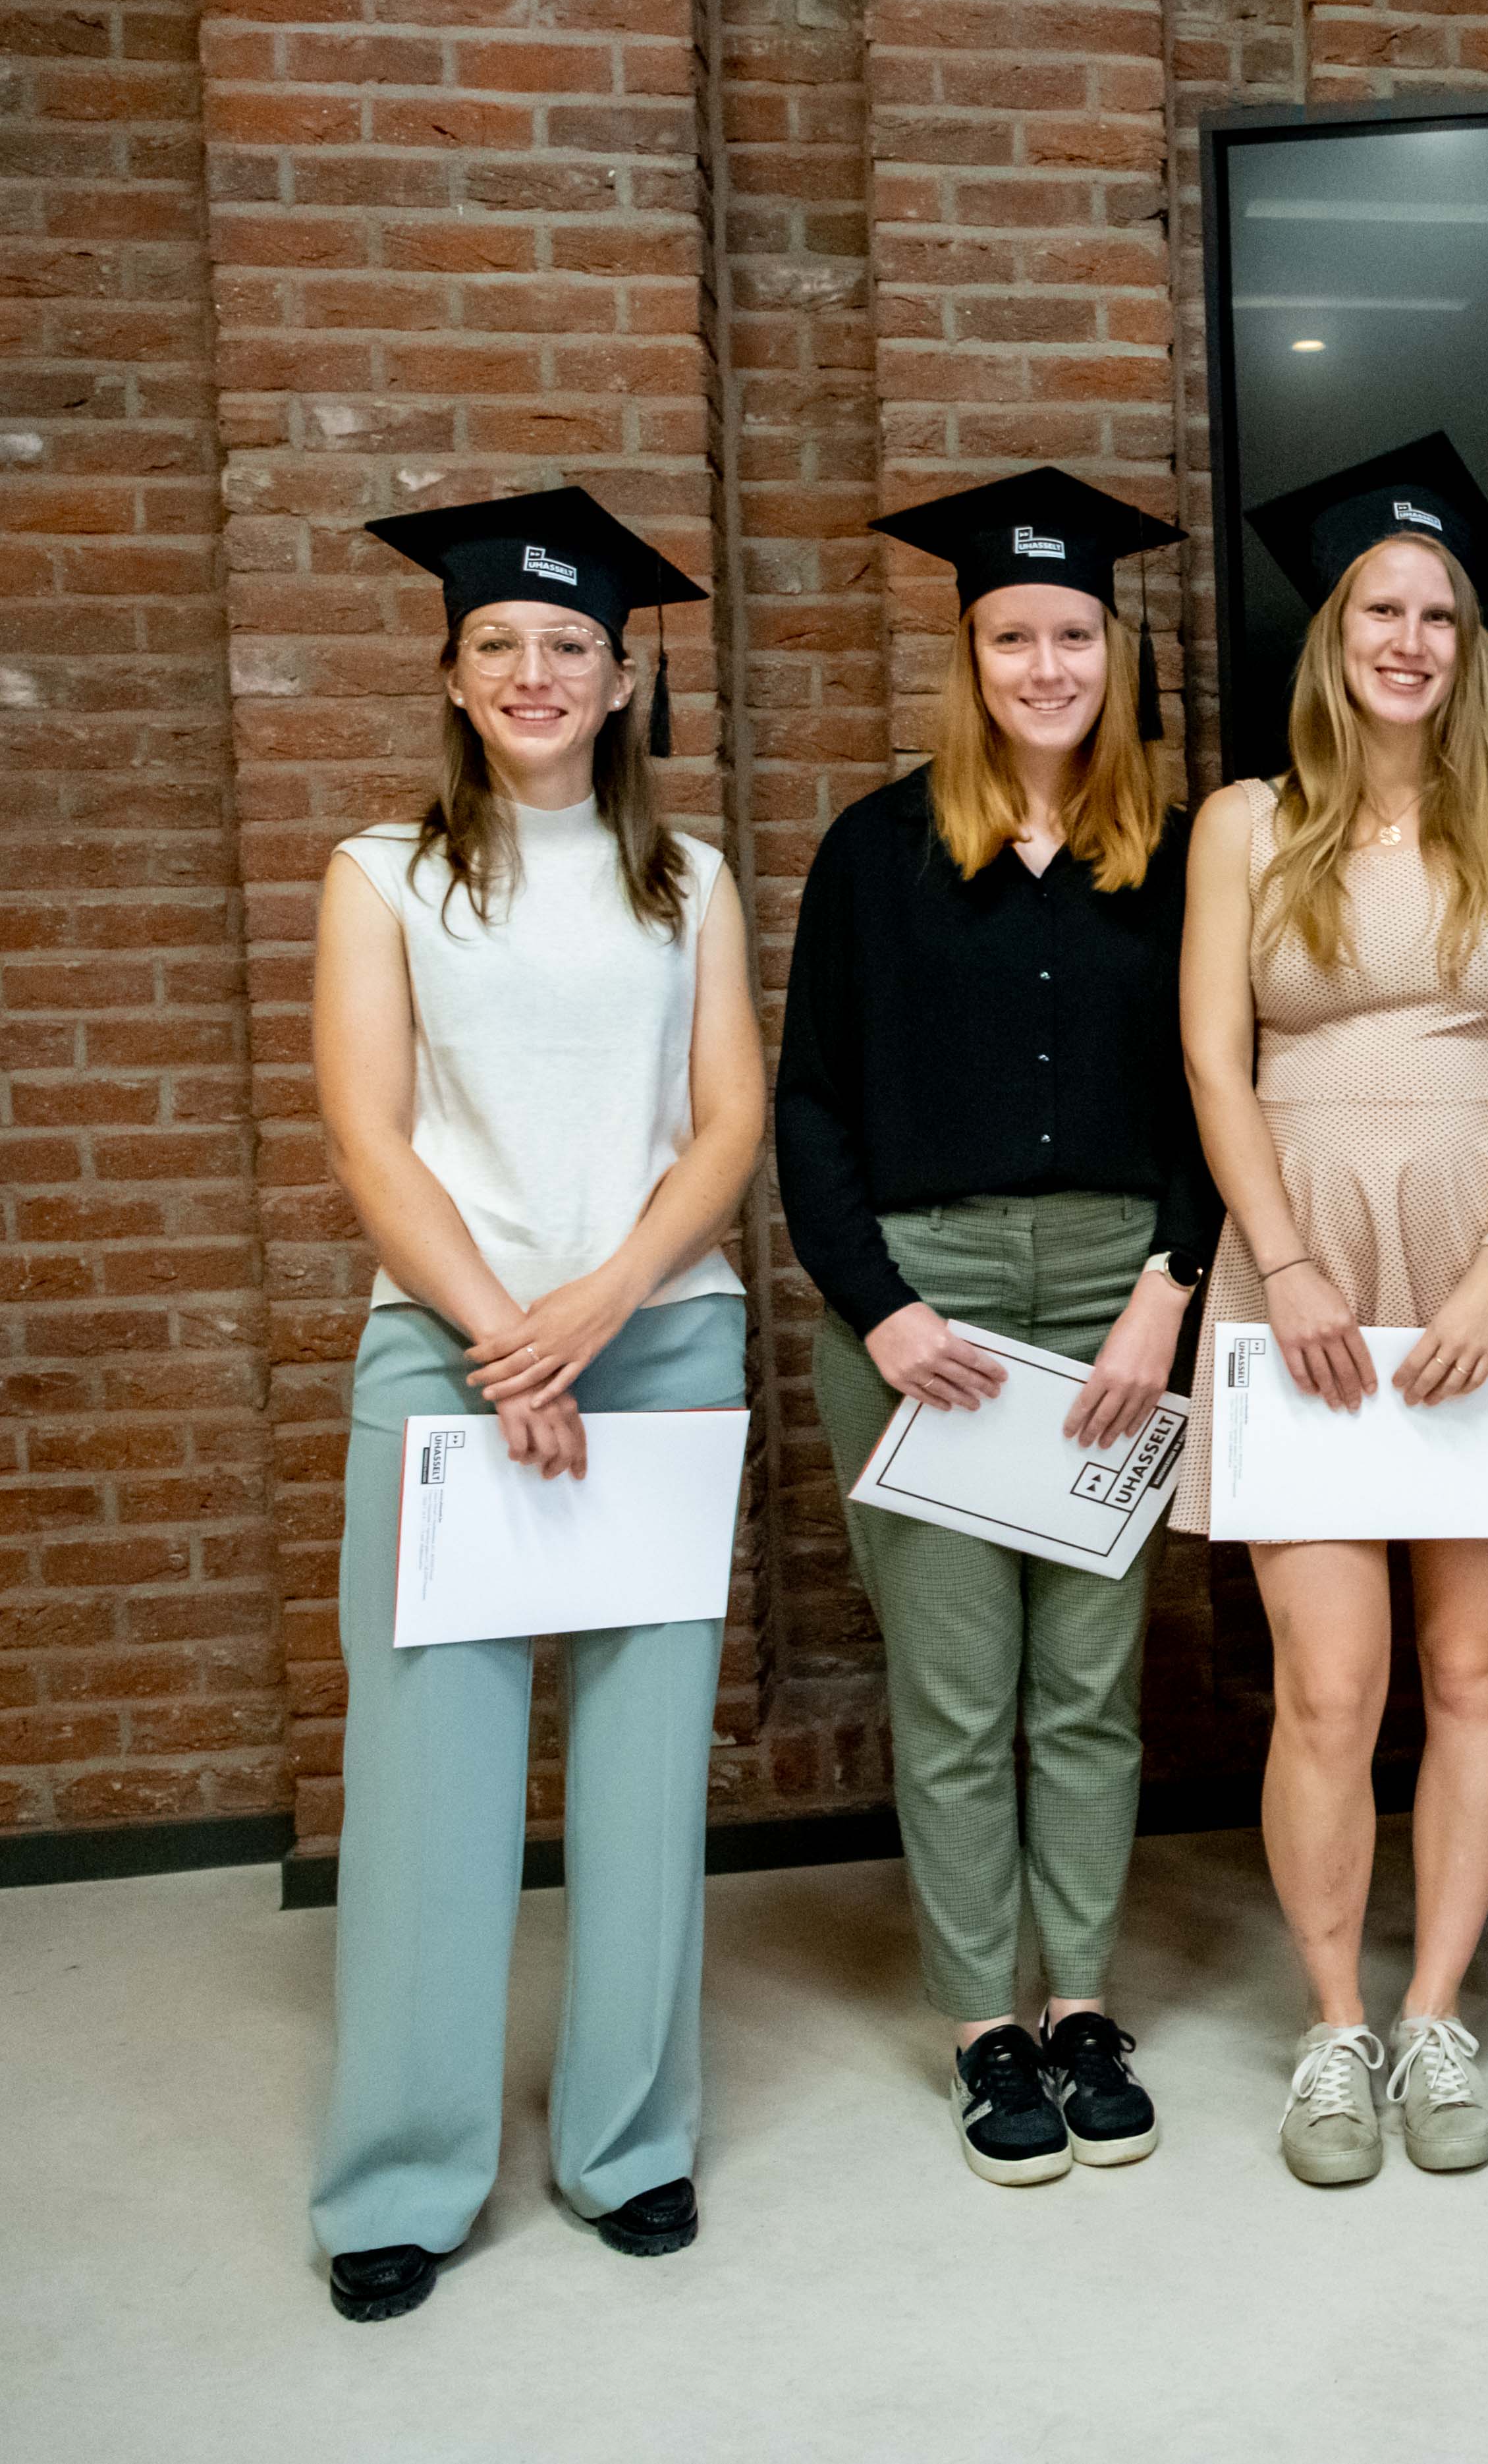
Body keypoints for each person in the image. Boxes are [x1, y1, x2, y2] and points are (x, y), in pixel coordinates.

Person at [309, 488, 758, 2320]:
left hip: (657, 1340)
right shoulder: (378, 876)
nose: (535, 671)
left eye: (571, 644)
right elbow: (369, 1132)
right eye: (498, 642)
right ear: (450, 672)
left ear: (623, 676)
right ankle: (401, 2174)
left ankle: (628, 2143)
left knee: (644, 1777)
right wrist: (508, 1334)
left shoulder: (689, 880)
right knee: (433, 1779)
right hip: (450, 1351)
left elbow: (727, 1123)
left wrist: (600, 1304)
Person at [781, 468, 1210, 2189]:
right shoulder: (874, 853)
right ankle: (984, 2024)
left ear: (1118, 650)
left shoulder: (1180, 852)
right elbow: (811, 1106)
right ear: (967, 656)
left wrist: (1170, 1285)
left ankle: (1083, 2002)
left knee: (1089, 1686)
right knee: (958, 1691)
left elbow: (1221, 1089)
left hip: (1118, 1295)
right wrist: (880, 1312)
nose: (1046, 666)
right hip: (928, 1306)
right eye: (1013, 637)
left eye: (1075, 635)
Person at [1174, 434, 1488, 2184]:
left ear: (1466, 646)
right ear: (1334, 635)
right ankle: (1334, 2026)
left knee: (1476, 1669)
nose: (1408, 641)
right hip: (1304, 1280)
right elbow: (1216, 1057)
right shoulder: (1243, 824)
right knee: (1329, 1687)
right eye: (1380, 611)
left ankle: (1435, 2015)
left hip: (1481, 1275)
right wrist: (1282, 1263)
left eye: (1437, 615)